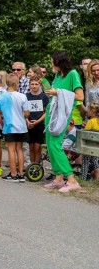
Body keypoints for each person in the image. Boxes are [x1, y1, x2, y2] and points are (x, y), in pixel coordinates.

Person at [43, 52, 84, 193]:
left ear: (59, 62)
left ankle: (71, 180)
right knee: (50, 145)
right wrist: (44, 82)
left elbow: (80, 96)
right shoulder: (57, 75)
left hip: (63, 114)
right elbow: (53, 92)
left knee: (55, 145)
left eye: (51, 61)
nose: (50, 64)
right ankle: (58, 179)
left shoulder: (72, 74)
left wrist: (58, 92)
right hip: (52, 112)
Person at [0, 74, 30, 181]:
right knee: (20, 150)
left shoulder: (0, 97)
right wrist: (23, 116)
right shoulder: (22, 96)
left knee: (11, 150)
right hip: (22, 127)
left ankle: (13, 174)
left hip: (9, 126)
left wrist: (2, 123)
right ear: (15, 84)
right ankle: (21, 174)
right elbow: (27, 113)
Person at [26, 77, 49, 166]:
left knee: (37, 147)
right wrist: (27, 121)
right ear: (29, 85)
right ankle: (31, 166)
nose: (34, 86)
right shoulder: (26, 96)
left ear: (40, 85)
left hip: (39, 124)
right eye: (32, 84)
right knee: (31, 147)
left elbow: (47, 112)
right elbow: (23, 111)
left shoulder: (44, 97)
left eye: (36, 84)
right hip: (29, 124)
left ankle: (37, 165)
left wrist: (38, 121)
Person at [81, 102, 99, 180]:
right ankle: (97, 179)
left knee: (85, 162)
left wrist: (83, 127)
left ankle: (83, 178)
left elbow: (85, 134)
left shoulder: (91, 121)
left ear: (92, 111)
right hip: (97, 147)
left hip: (89, 146)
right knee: (96, 162)